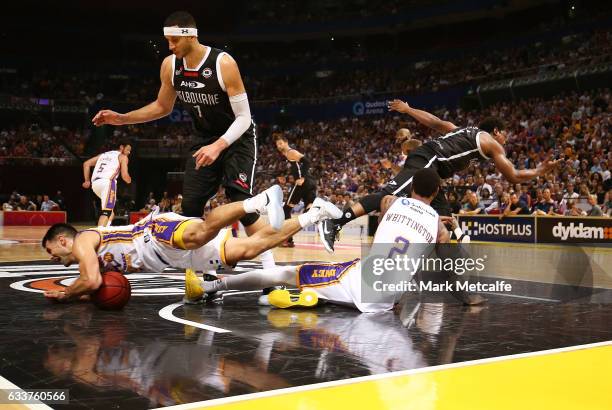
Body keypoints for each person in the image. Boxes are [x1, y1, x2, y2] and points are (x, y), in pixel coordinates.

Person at [91, 11, 278, 300]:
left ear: (190, 35)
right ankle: (208, 279)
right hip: (203, 138)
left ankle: (272, 277)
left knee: (240, 201)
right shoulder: (170, 65)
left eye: (174, 39)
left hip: (236, 137)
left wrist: (219, 146)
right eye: (167, 40)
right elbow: (162, 106)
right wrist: (122, 118)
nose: (170, 46)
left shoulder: (223, 63)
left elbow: (244, 118)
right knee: (190, 210)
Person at [190, 169, 484, 312]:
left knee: (288, 273)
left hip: (361, 283)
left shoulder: (391, 202)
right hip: (388, 298)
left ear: (414, 186)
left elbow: (385, 216)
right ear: (436, 193)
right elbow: (450, 272)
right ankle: (311, 297)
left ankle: (213, 285)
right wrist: (467, 298)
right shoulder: (437, 225)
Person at [318, 99, 559, 253]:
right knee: (388, 195)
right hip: (428, 161)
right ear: (496, 131)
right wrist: (540, 170)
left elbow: (435, 122)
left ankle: (450, 263)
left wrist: (408, 109)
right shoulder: (491, 142)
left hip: (433, 170)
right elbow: (514, 176)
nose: (505, 140)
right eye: (505, 134)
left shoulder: (464, 130)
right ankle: (335, 222)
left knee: (443, 212)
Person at [41, 185, 342, 303]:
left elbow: (91, 280)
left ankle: (259, 200)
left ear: (63, 239)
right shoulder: (84, 247)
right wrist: (79, 293)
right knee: (249, 249)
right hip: (173, 259)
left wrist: (67, 293)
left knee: (201, 233)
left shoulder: (81, 242)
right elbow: (93, 283)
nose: (53, 258)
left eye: (51, 251)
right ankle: (315, 214)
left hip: (152, 234)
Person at [274, 135, 318, 247]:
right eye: (277, 144)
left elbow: (307, 162)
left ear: (286, 142)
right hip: (310, 183)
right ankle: (322, 216)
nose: (279, 146)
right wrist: (287, 177)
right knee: (309, 210)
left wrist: (302, 177)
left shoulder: (290, 152)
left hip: (303, 183)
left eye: (280, 143)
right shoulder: (287, 155)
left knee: (286, 209)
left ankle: (288, 240)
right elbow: (297, 169)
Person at [82, 142, 132, 226]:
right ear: (121, 147)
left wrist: (87, 180)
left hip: (95, 184)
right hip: (107, 183)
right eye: (128, 149)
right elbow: (124, 176)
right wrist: (129, 180)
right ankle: (100, 235)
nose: (129, 152)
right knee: (106, 211)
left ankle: (106, 228)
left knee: (110, 209)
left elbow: (86, 164)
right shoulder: (123, 157)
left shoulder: (103, 155)